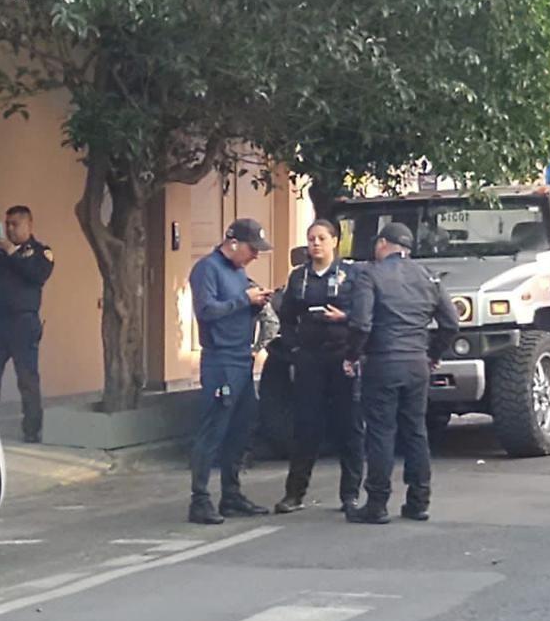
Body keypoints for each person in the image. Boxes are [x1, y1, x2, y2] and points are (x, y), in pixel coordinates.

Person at [344, 222, 458, 524]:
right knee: (416, 431)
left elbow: (361, 324)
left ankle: (377, 503)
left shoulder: (370, 275)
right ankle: (419, 501)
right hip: (417, 363)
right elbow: (451, 322)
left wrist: (352, 355)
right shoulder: (428, 276)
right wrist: (433, 354)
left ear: (383, 244)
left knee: (381, 433)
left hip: (382, 362)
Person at [187, 218, 274, 525]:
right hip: (220, 360)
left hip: (241, 359)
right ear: (234, 243)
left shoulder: (239, 273)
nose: (256, 256)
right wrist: (243, 300)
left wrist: (255, 304)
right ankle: (199, 498)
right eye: (253, 249)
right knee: (214, 428)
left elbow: (235, 309)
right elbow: (207, 310)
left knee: (241, 428)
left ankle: (231, 493)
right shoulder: (207, 269)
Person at [273, 220, 364, 515]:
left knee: (348, 426)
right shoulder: (299, 277)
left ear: (334, 241)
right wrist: (294, 348)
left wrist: (344, 318)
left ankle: (350, 494)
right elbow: (286, 317)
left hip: (342, 357)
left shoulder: (351, 275)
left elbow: (365, 316)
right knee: (306, 427)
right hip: (309, 358)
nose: (315, 244)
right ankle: (294, 493)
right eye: (311, 239)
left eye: (321, 239)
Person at [0, 206, 54, 444]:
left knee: (27, 378)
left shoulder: (40, 251)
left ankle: (32, 429)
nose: (10, 229)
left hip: (23, 322)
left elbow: (37, 275)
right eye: (8, 224)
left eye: (15, 224)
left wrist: (11, 251)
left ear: (28, 225)